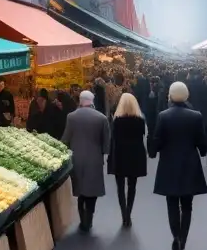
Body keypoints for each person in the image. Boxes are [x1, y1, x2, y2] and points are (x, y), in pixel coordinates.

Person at [148, 82, 207, 250]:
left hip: (169, 162)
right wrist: (204, 151)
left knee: (172, 202)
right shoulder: (196, 116)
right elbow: (201, 140)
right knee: (187, 204)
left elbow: (158, 139)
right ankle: (183, 236)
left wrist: (153, 151)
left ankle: (175, 234)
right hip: (190, 162)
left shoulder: (163, 116)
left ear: (171, 96)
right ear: (187, 95)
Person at [62, 91, 111, 232]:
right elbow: (106, 143)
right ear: (92, 101)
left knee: (80, 190)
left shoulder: (71, 117)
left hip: (76, 158)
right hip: (94, 159)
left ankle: (82, 217)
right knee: (92, 191)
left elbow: (65, 138)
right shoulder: (101, 118)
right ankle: (89, 218)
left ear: (80, 101)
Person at [108, 92, 147, 227]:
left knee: (120, 187)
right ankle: (129, 213)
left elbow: (113, 139)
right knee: (132, 186)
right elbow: (142, 135)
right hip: (135, 155)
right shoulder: (140, 121)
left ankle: (123, 213)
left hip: (119, 155)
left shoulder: (117, 121)